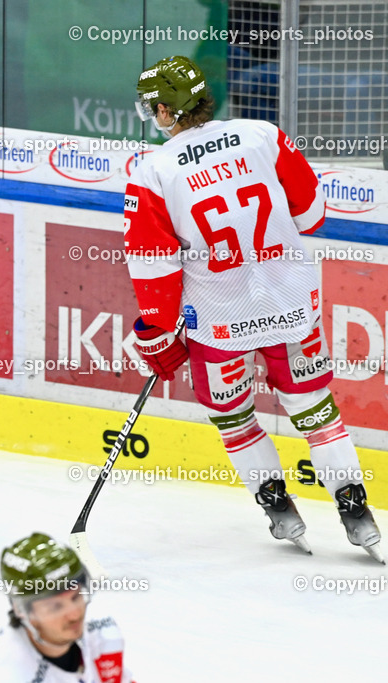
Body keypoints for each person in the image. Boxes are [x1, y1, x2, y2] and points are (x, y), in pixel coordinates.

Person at [125, 56, 383, 562]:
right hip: (290, 304)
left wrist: (156, 332)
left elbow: (154, 264)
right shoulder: (263, 134)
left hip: (219, 319)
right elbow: (311, 213)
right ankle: (355, 508)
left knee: (234, 419)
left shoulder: (152, 171)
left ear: (165, 108)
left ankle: (277, 506)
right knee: (316, 411)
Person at [0, 532, 134, 683]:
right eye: (55, 607)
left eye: (76, 597)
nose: (75, 615)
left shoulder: (102, 632)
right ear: (21, 611)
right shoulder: (1, 676)